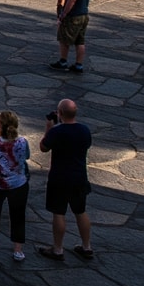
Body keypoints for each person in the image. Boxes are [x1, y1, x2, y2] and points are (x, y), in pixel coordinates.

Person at [38, 99, 94, 261]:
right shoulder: (85, 130)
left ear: (60, 113)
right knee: (80, 211)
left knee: (59, 213)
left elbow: (43, 147)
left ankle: (58, 249)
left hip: (60, 178)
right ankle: (86, 246)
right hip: (79, 177)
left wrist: (49, 128)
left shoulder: (57, 132)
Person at [0, 110, 30, 262]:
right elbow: (27, 156)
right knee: (18, 215)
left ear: (0, 125)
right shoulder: (22, 142)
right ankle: (18, 249)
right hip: (19, 183)